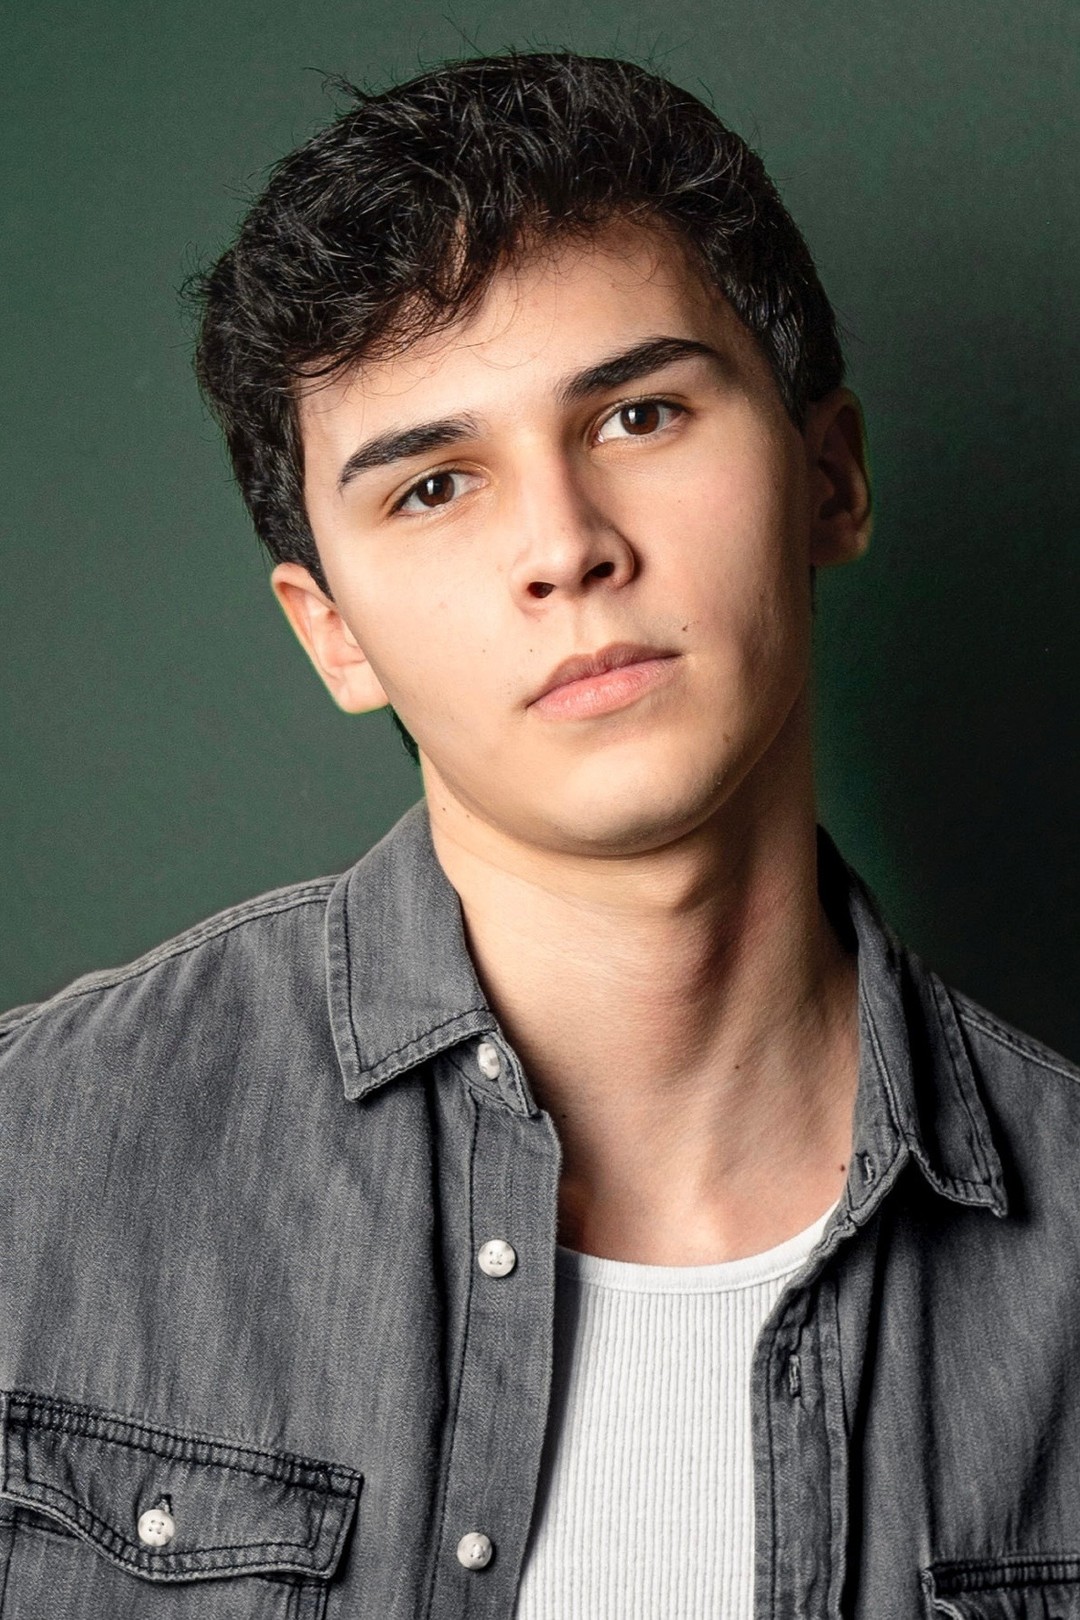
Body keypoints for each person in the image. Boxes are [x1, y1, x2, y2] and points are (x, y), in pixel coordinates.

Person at [0, 49, 1077, 1620]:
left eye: (639, 414)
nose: (564, 547)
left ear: (830, 477)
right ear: (331, 633)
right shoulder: (33, 1166)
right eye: (435, 488)